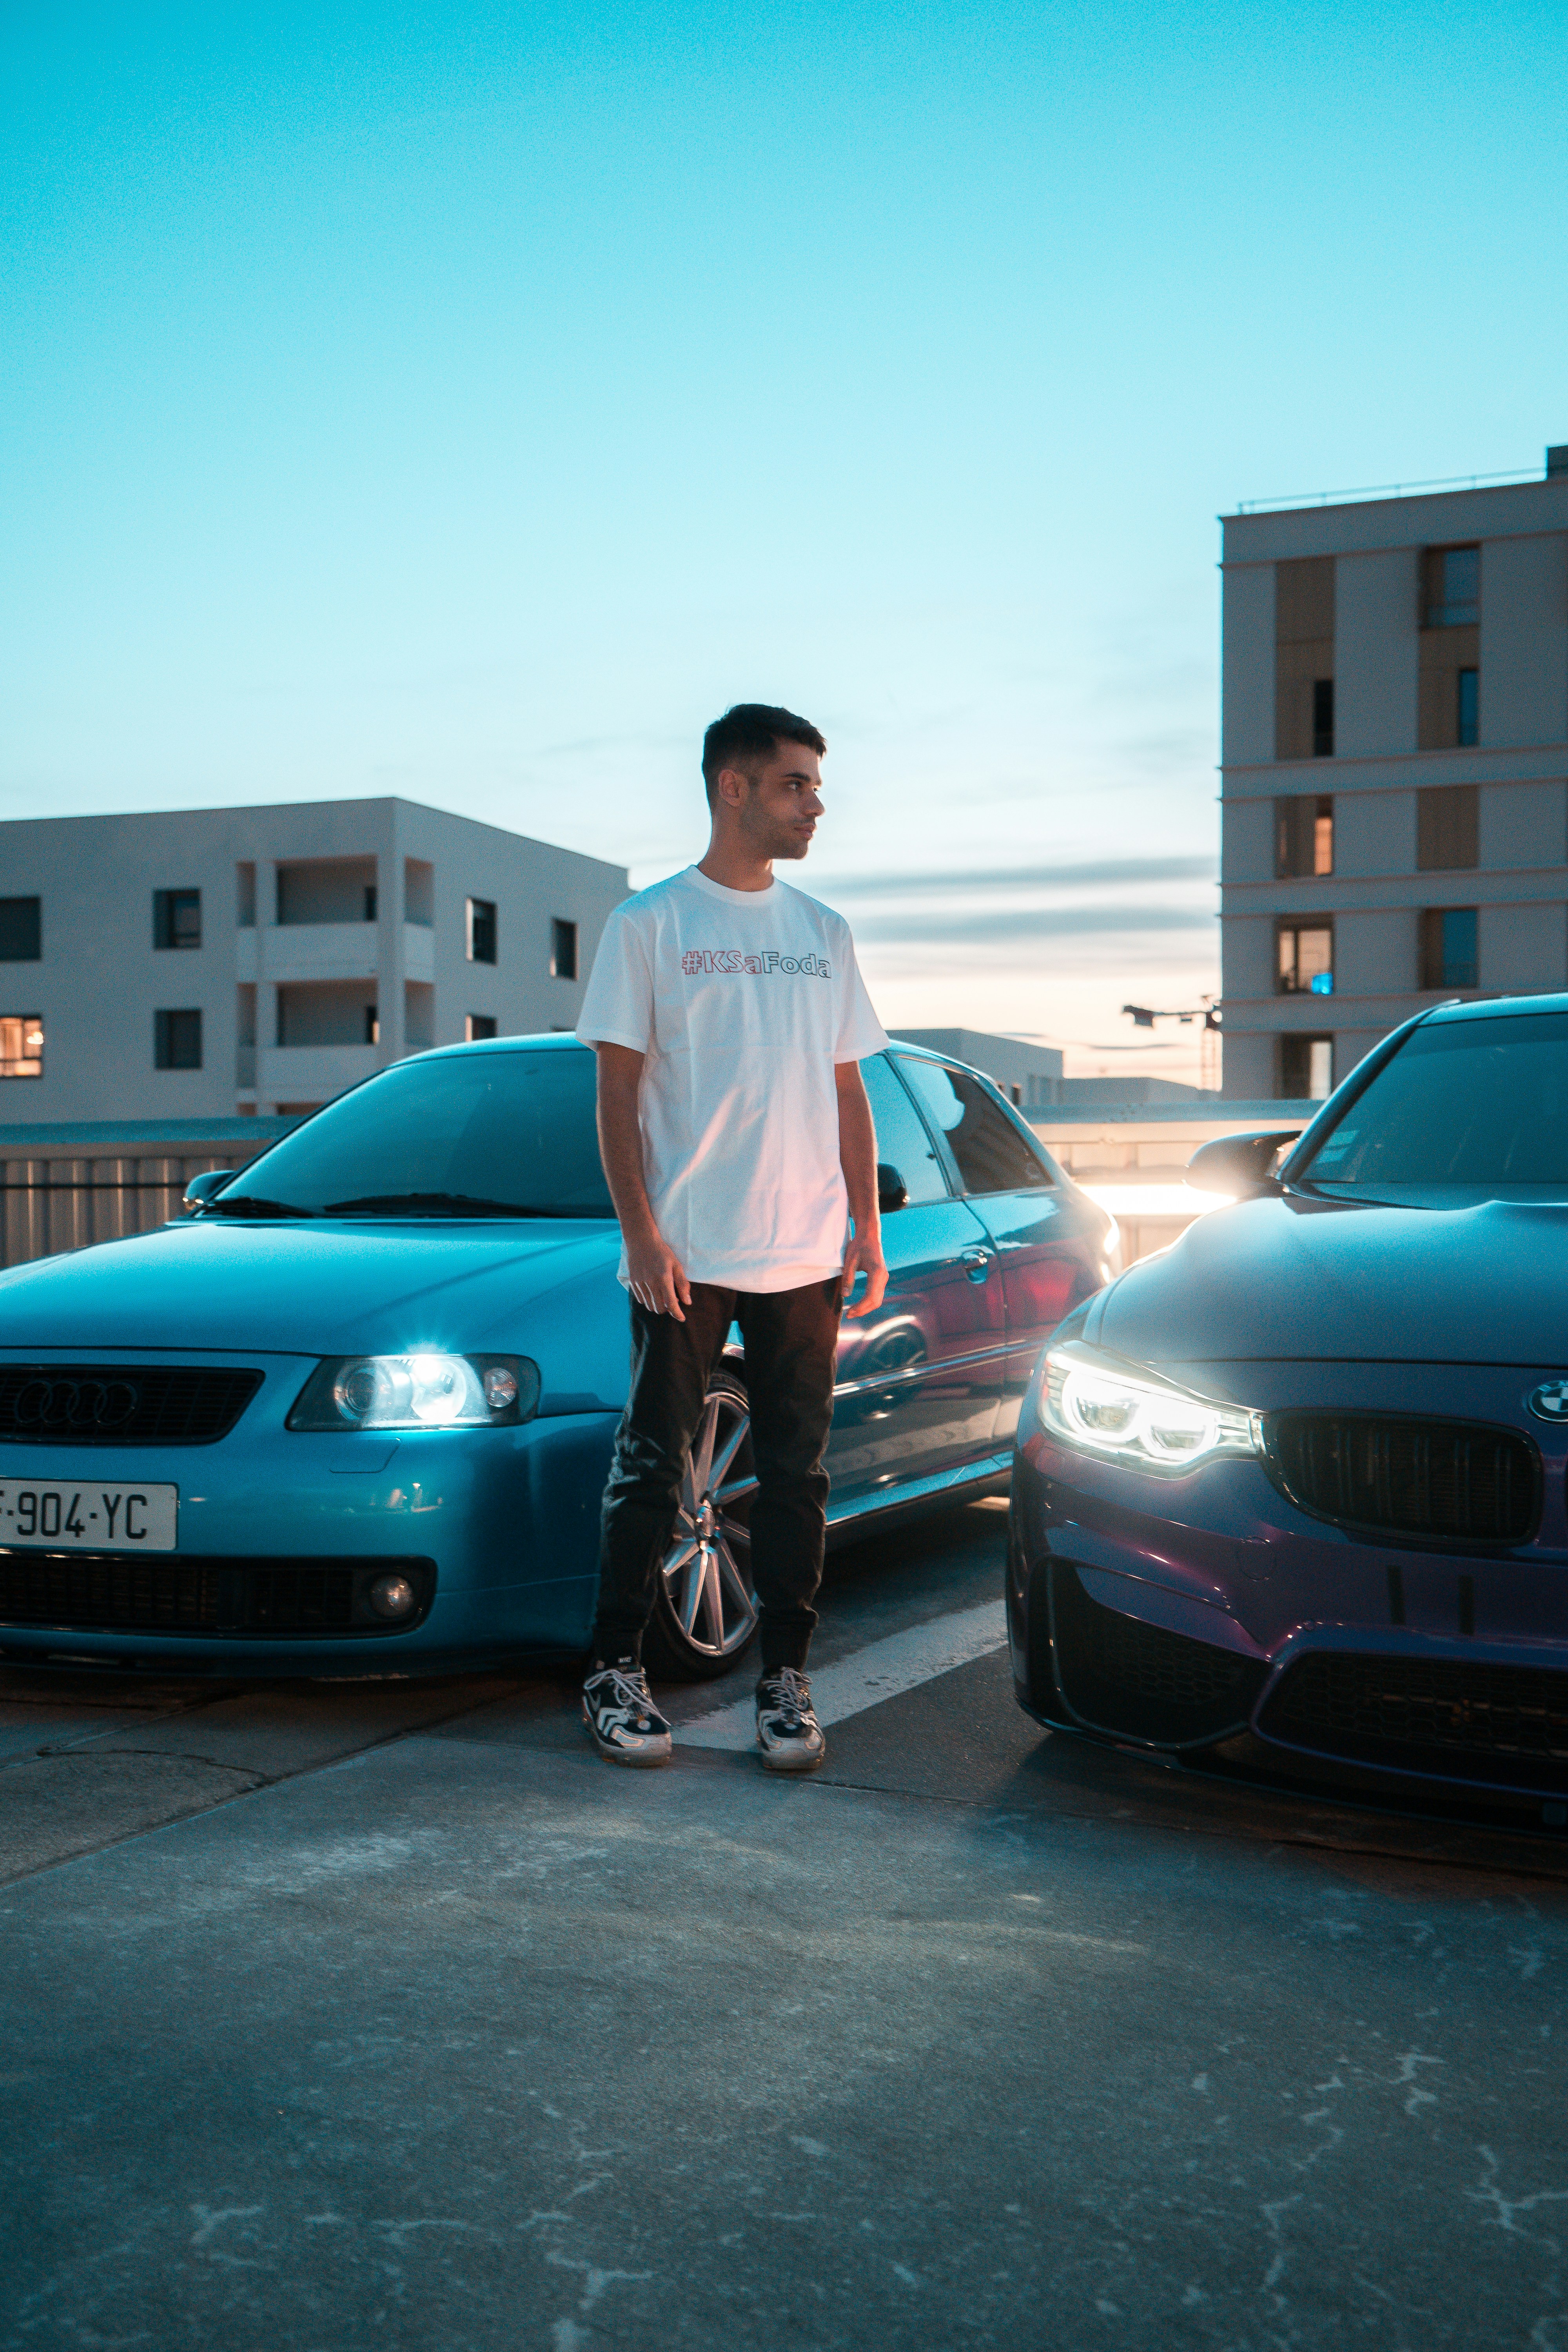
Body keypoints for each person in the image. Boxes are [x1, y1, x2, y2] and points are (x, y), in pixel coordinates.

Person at [574, 702, 889, 1772]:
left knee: (798, 1475)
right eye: (798, 782)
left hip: (804, 1251)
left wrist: (867, 1225)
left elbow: (849, 1093)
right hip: (687, 1253)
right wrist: (642, 1234)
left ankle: (785, 1683)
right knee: (654, 1468)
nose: (816, 803)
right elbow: (617, 1097)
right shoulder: (651, 924)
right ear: (735, 788)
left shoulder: (824, 933)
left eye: (816, 784)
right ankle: (615, 1671)